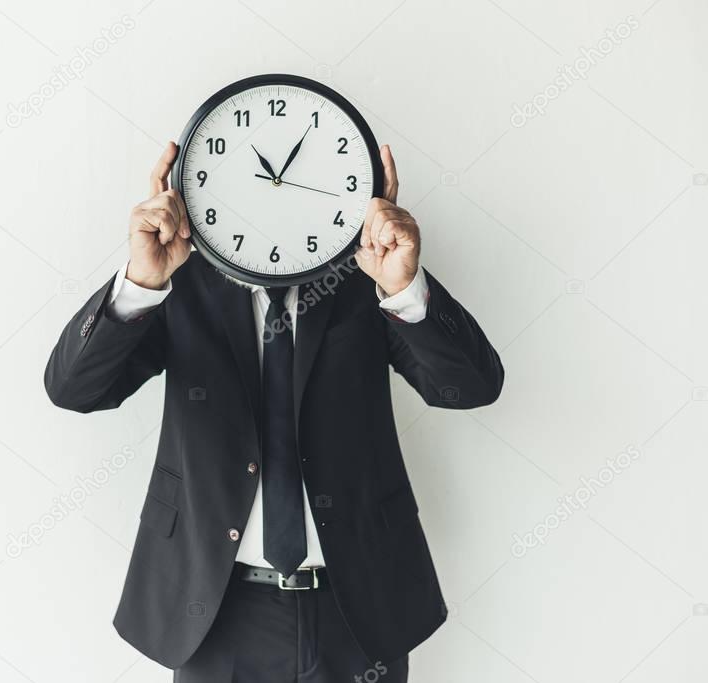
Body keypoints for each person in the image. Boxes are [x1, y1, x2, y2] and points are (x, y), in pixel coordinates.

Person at [44, 141, 504, 682]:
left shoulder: (367, 278)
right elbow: (74, 389)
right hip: (213, 611)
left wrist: (404, 287)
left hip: (356, 611)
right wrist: (141, 283)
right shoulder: (178, 281)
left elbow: (471, 387)